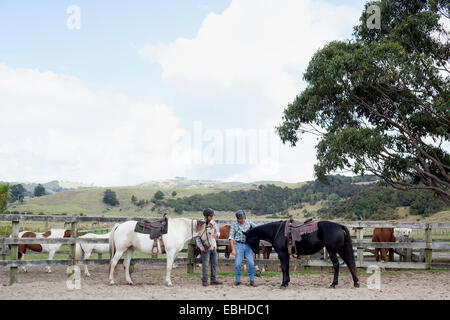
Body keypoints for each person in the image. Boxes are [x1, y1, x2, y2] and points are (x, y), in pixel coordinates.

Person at [228, 209, 257, 286]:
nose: (242, 219)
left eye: (243, 218)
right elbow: (231, 238)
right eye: (240, 218)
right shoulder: (234, 225)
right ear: (237, 218)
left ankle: (252, 280)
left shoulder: (249, 223)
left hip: (248, 245)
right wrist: (233, 249)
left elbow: (257, 229)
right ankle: (237, 280)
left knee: (251, 263)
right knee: (238, 264)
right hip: (239, 245)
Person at [196, 208, 222, 286]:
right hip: (205, 245)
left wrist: (217, 234)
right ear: (207, 216)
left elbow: (218, 232)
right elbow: (197, 237)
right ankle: (204, 280)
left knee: (214, 263)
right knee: (205, 264)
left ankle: (213, 279)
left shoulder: (213, 223)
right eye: (211, 216)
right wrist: (201, 247)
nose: (212, 217)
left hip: (213, 244)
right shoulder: (200, 224)